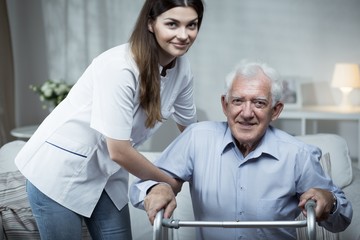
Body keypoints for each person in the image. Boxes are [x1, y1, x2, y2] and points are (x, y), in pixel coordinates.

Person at [14, 0, 205, 239]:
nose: (183, 35)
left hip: (108, 175)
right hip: (59, 172)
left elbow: (193, 133)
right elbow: (119, 151)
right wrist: (168, 182)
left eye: (192, 25)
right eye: (172, 24)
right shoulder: (120, 66)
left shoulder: (183, 70)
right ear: (150, 23)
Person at [130, 60, 353, 240]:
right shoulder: (197, 138)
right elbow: (141, 185)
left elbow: (342, 217)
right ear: (225, 105)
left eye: (258, 103)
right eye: (237, 101)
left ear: (275, 111)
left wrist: (330, 201)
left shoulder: (299, 154)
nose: (246, 113)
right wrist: (156, 189)